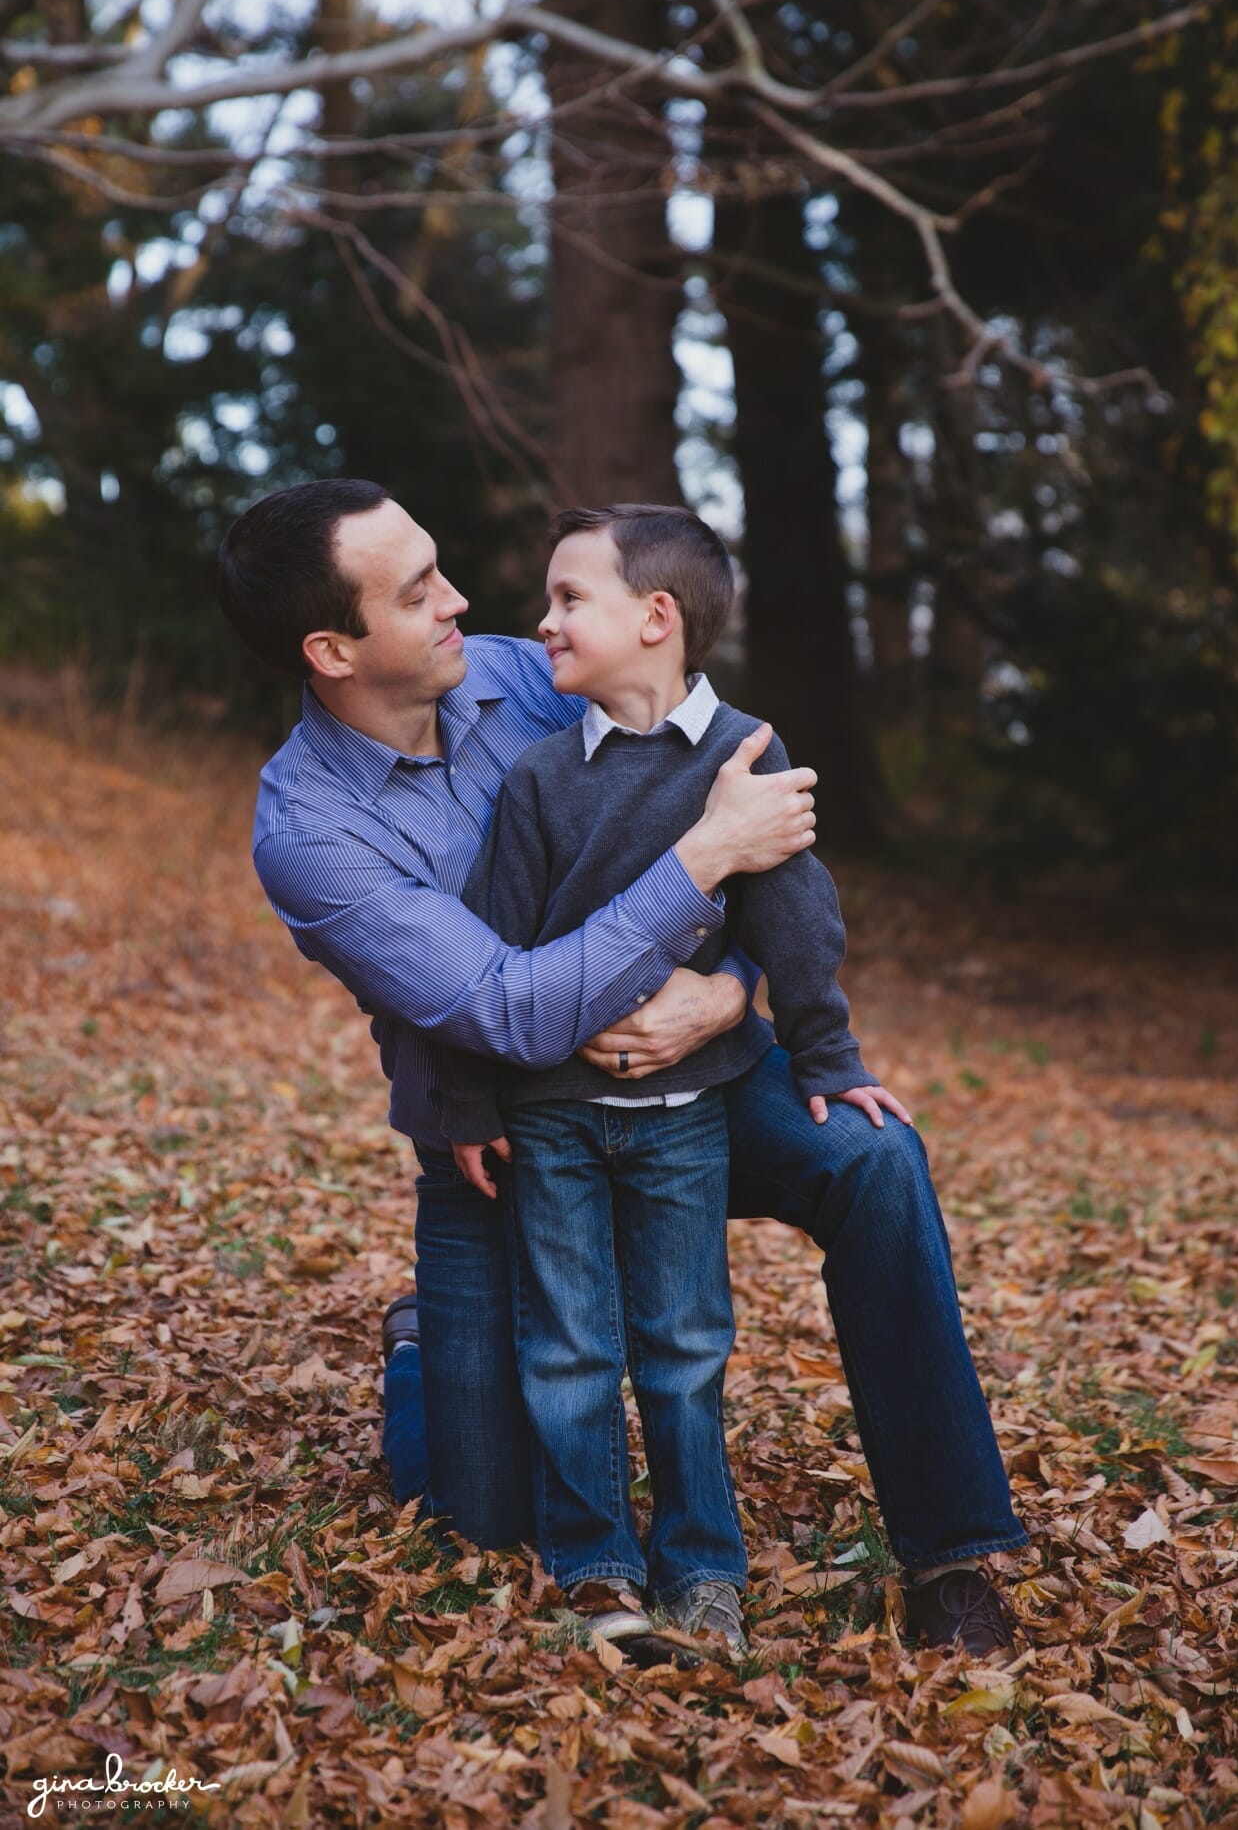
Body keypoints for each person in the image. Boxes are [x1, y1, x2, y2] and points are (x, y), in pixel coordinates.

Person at [218, 477, 1027, 1661]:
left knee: (875, 1158)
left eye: (438, 568)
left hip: (692, 1073)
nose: (459, 602)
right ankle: (423, 1353)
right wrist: (700, 863)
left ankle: (951, 1553)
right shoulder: (309, 831)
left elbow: (734, 814)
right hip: (501, 1130)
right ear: (332, 651)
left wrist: (728, 989)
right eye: (417, 592)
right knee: (485, 1520)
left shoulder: (524, 675)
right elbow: (508, 1007)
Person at [437, 503, 890, 1654]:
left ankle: (703, 1573)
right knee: (569, 1351)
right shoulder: (541, 779)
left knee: (686, 1349)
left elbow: (797, 918)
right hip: (551, 1119)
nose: (543, 621)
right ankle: (596, 1571)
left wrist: (827, 1057)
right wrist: (470, 1101)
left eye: (568, 598)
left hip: (685, 1118)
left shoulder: (743, 754)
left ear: (656, 618)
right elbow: (491, 948)